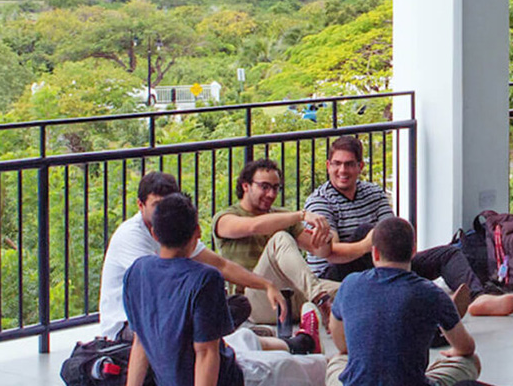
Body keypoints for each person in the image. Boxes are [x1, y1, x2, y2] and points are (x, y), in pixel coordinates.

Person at [304, 136, 513, 317]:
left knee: (448, 253)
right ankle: (428, 302)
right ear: (328, 166)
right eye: (337, 164)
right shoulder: (320, 202)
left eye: (349, 164)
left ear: (360, 166)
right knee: (369, 233)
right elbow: (331, 253)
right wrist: (368, 243)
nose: (342, 170)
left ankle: (478, 298)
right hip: (336, 275)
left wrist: (401, 249)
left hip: (380, 264)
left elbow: (394, 233)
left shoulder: (372, 193)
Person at [99, 172, 287, 344]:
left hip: (167, 314)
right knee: (201, 316)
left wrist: (266, 284)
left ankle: (223, 339)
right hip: (129, 324)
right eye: (157, 205)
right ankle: (230, 340)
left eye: (169, 205)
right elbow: (162, 288)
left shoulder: (174, 226)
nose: (164, 212)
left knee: (238, 305)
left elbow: (221, 265)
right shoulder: (131, 236)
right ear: (141, 205)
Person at [325, 216, 481, 386]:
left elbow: (340, 340)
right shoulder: (431, 292)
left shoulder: (350, 283)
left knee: (338, 359)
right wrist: (455, 351)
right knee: (471, 360)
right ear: (413, 251)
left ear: (374, 253)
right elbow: (467, 348)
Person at [123, 193, 246, 386]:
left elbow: (140, 343)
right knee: (282, 366)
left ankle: (289, 342)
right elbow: (206, 353)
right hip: (226, 379)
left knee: (247, 339)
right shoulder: (205, 278)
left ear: (154, 234)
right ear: (197, 231)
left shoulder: (138, 271)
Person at [213, 159, 340, 327]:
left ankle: (322, 306)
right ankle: (320, 299)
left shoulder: (283, 216)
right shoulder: (224, 218)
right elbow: (254, 226)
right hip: (255, 301)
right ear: (246, 186)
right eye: (264, 187)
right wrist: (301, 215)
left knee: (352, 289)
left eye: (275, 188)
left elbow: (321, 251)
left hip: (292, 294)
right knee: (280, 238)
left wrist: (324, 235)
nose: (271, 194)